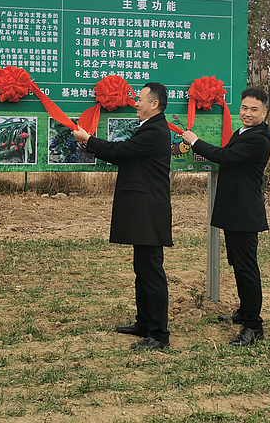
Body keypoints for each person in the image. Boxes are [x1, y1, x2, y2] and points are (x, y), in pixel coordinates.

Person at [73, 82, 173, 350]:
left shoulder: (155, 130)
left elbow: (122, 151)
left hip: (149, 210)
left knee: (151, 271)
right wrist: (91, 143)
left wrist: (88, 140)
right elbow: (125, 156)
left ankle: (159, 334)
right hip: (144, 209)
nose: (136, 103)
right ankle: (144, 323)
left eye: (140, 99)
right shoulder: (150, 127)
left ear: (154, 104)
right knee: (142, 269)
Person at [181, 88, 270, 347]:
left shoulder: (259, 140)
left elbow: (225, 156)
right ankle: (244, 312)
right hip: (235, 210)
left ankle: (254, 326)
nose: (247, 113)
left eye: (254, 109)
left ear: (264, 112)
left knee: (247, 269)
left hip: (245, 212)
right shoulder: (244, 132)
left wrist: (195, 142)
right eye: (244, 108)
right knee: (238, 264)